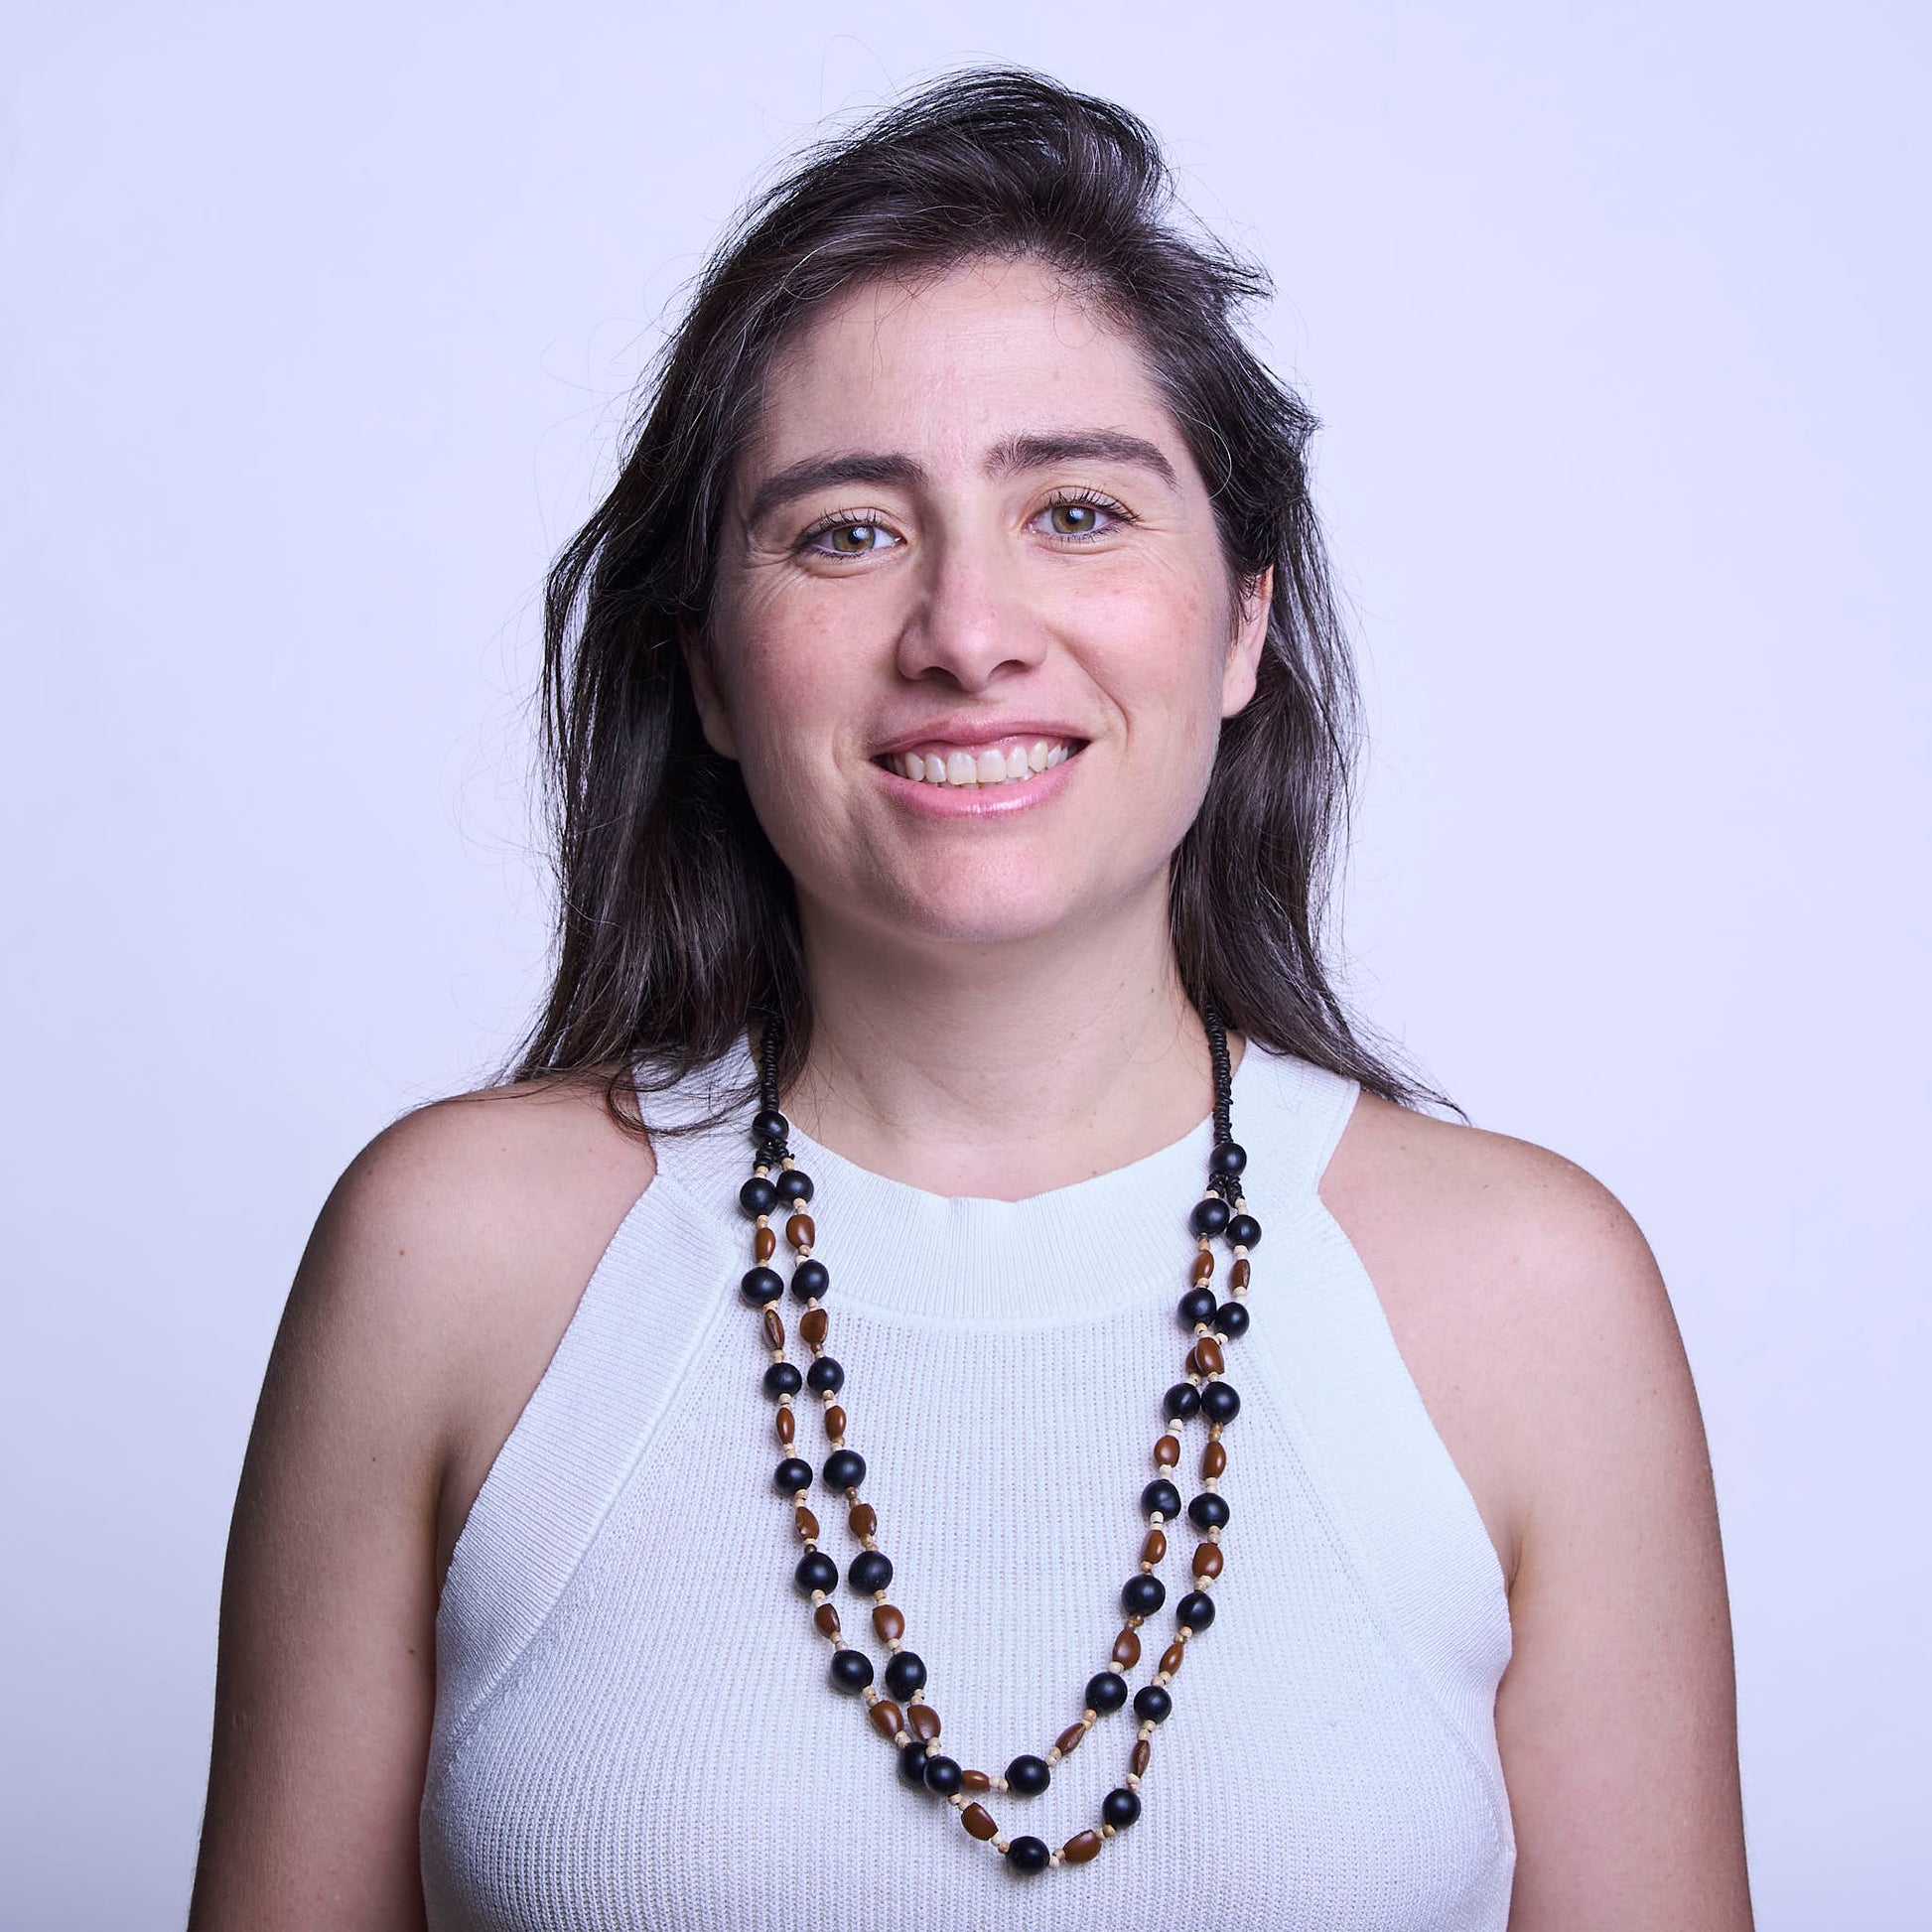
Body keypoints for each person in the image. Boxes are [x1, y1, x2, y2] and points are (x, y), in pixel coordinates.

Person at [188, 67, 1753, 1932]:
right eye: (846, 531)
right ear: (707, 671)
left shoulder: (1532, 1297)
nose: (966, 632)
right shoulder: (451, 1254)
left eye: (1075, 510)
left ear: (1244, 618)